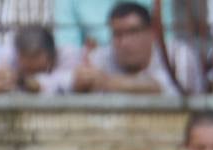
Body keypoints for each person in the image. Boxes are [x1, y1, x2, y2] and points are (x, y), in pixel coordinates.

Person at [74, 1, 205, 96]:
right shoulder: (102, 56)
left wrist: (107, 82)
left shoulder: (179, 55)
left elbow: (164, 87)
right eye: (117, 34)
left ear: (152, 33)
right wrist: (81, 82)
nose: (124, 42)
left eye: (133, 32)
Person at [0, 23, 79, 94]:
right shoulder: (9, 54)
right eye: (27, 70)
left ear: (52, 57)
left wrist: (23, 81)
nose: (32, 75)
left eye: (38, 70)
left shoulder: (68, 55)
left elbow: (65, 83)